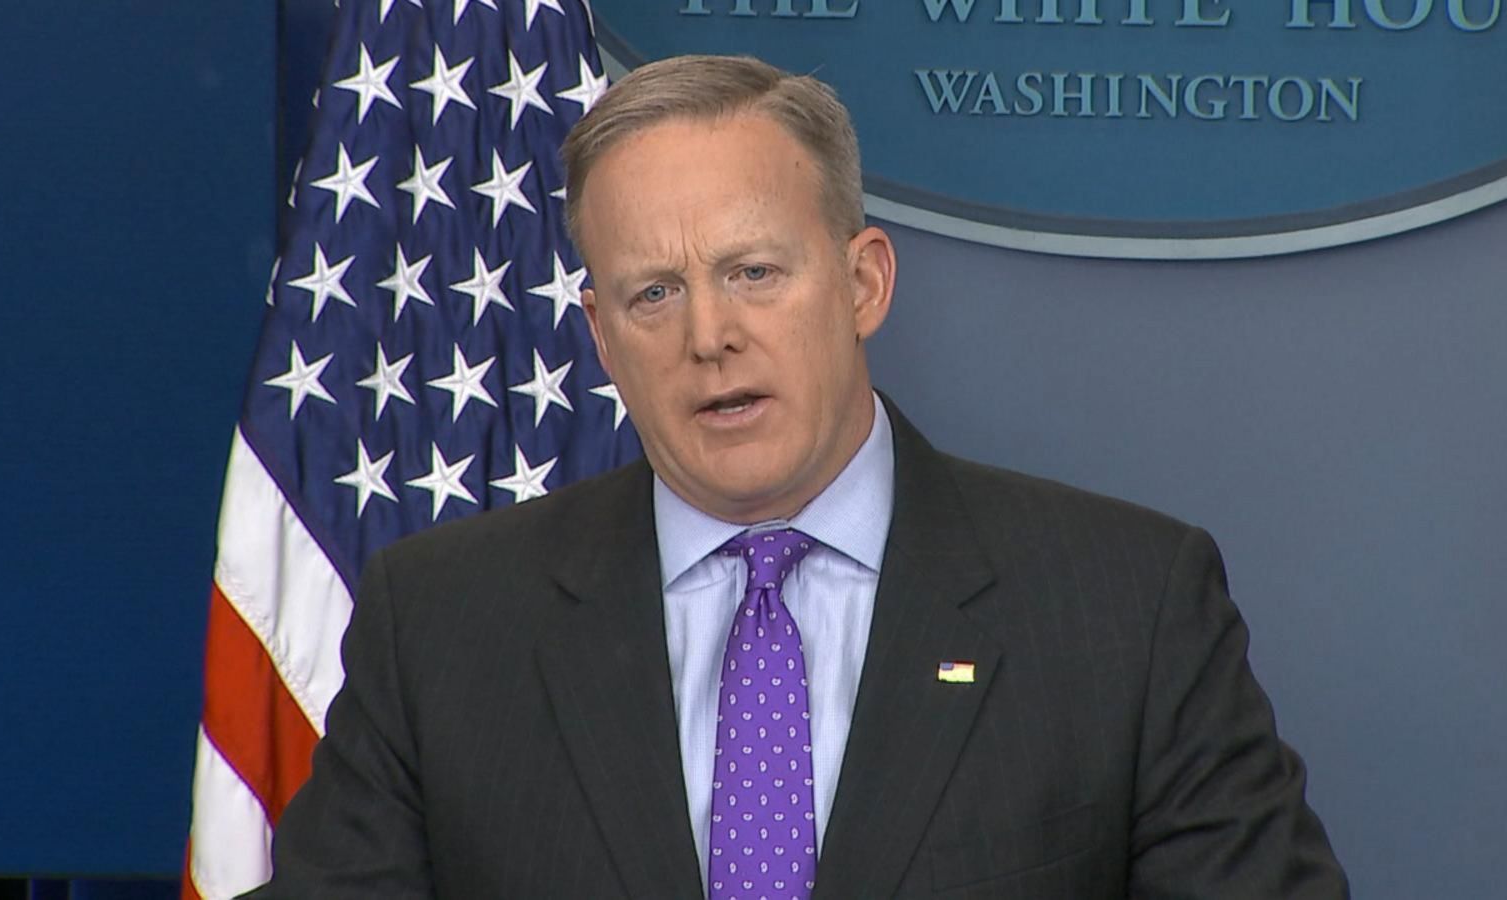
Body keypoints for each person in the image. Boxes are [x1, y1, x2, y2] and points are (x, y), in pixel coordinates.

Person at [252, 55, 1349, 899]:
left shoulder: (1125, 608)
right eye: (653, 294)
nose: (710, 336)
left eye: (753, 272)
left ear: (863, 283)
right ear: (600, 337)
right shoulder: (442, 624)